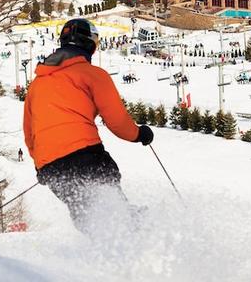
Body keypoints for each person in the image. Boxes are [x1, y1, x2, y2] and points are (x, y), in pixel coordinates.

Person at [23, 18, 153, 233]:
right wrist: (139, 134)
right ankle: (133, 238)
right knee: (112, 205)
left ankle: (102, 253)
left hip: (50, 167)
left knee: (86, 215)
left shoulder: (37, 84)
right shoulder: (92, 74)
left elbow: (29, 132)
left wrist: (42, 165)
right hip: (84, 155)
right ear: (91, 44)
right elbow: (117, 121)